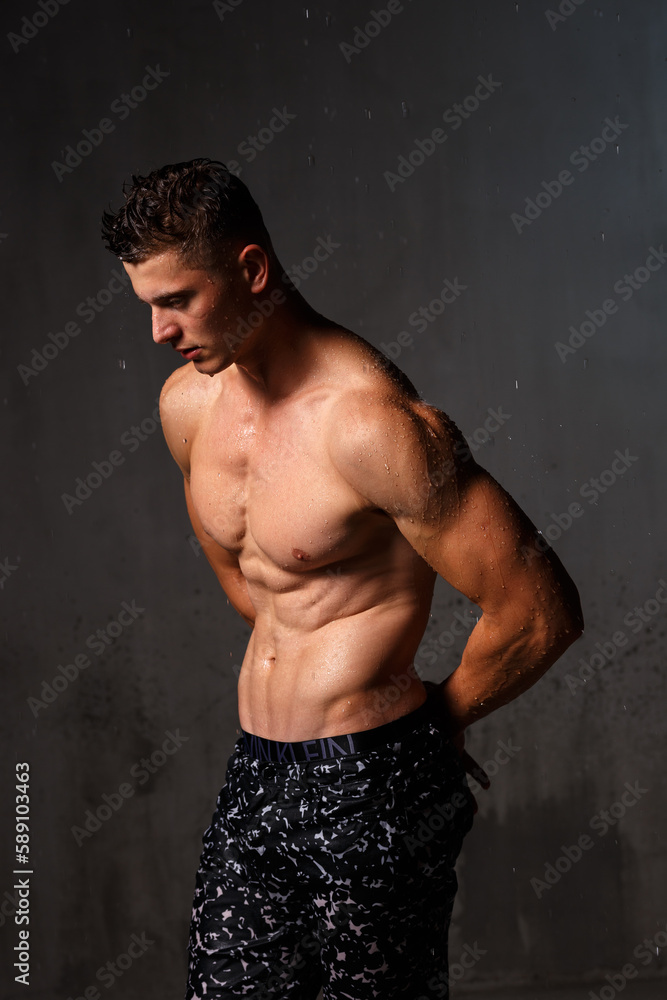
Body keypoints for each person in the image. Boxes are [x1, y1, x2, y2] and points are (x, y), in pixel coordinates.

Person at [101, 158, 584, 999]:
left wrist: (434, 725)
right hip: (256, 769)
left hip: (372, 777)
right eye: (147, 305)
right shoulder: (189, 407)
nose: (159, 332)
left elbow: (538, 610)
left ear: (250, 270)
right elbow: (245, 569)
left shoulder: (370, 425)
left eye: (177, 300)